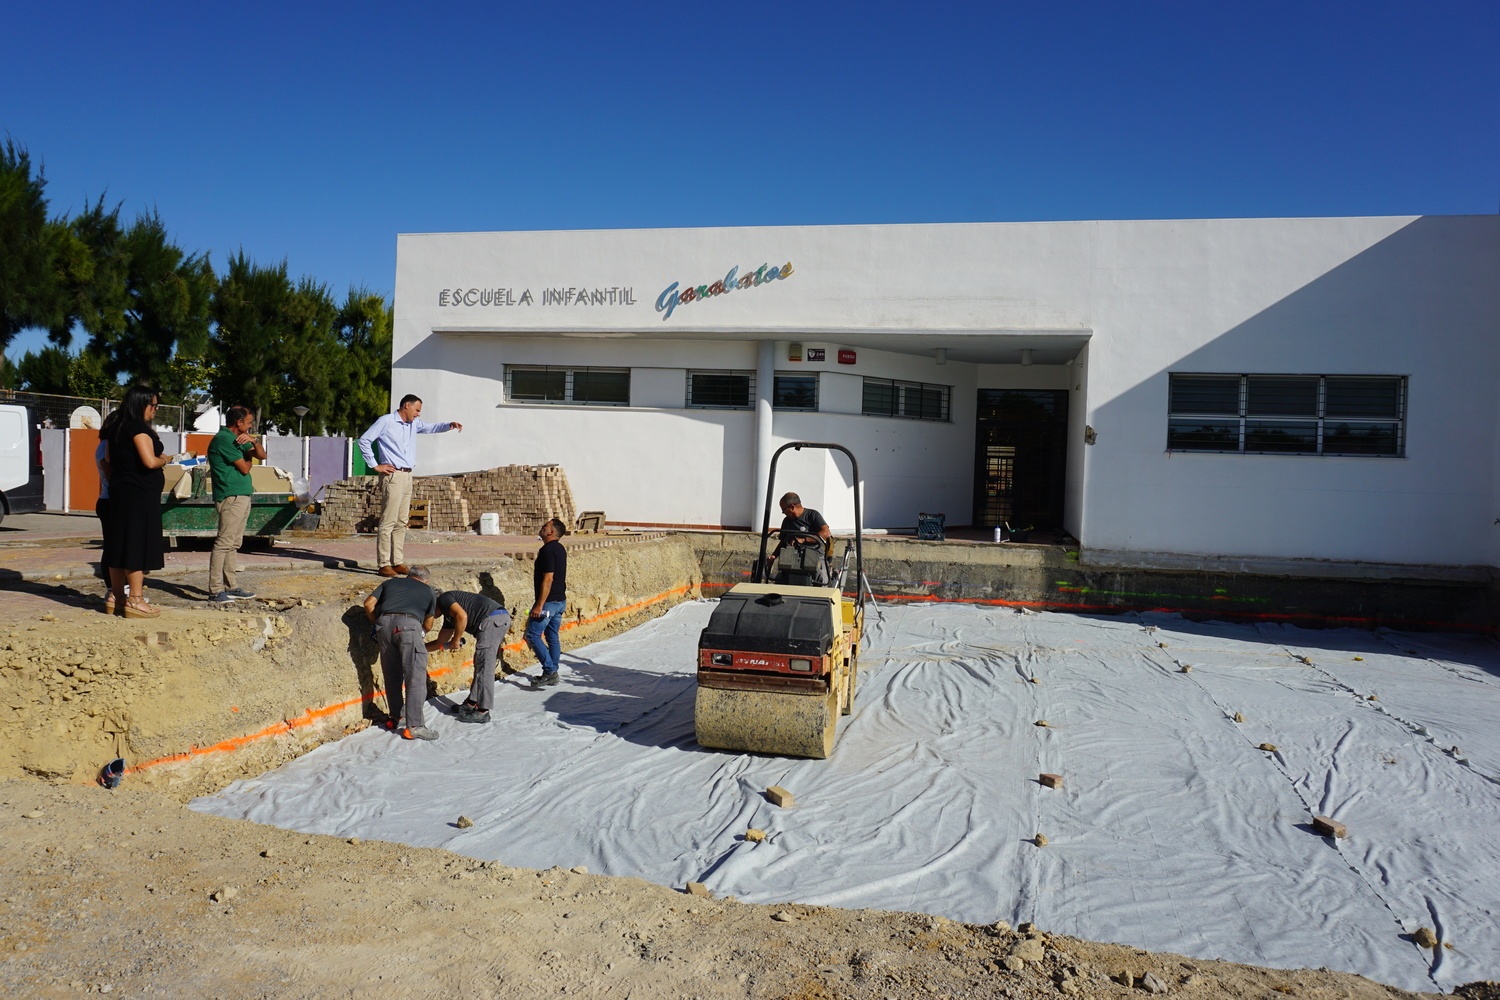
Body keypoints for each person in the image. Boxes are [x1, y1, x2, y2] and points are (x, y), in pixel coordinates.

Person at [356, 394, 462, 578]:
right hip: (393, 475)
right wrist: (375, 465)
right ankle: (383, 564)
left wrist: (449, 425)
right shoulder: (386, 422)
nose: (418, 414)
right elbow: (364, 440)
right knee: (388, 520)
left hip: (407, 475)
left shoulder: (413, 424)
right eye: (417, 410)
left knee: (401, 521)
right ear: (407, 406)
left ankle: (397, 561)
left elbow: (431, 427)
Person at [103, 385, 171, 619]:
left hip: (122, 491)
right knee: (136, 545)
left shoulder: (116, 427)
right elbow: (149, 462)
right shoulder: (137, 429)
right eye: (153, 405)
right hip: (139, 495)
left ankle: (116, 596)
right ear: (140, 404)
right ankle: (135, 599)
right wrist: (165, 459)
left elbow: (107, 460)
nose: (155, 410)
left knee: (118, 544)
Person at [363, 564, 440, 740]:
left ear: (409, 576)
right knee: (415, 677)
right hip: (408, 626)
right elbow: (428, 623)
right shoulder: (428, 590)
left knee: (392, 676)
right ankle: (415, 726)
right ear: (425, 580)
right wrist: (419, 632)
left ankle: (395, 717)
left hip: (383, 626)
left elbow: (368, 604)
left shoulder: (389, 583)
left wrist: (378, 624)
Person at [206, 406, 267, 603]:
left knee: (233, 543)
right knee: (224, 543)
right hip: (230, 496)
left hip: (242, 495)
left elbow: (262, 455)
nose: (250, 426)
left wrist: (253, 441)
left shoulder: (241, 439)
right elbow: (245, 468)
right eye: (248, 423)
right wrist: (249, 456)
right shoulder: (224, 439)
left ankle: (231, 586)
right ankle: (215, 589)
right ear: (238, 422)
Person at [427, 587, 511, 724]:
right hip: (494, 619)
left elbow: (462, 616)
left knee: (485, 667)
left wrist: (455, 640)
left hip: (493, 619)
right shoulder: (449, 615)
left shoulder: (444, 598)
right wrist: (419, 648)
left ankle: (483, 711)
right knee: (480, 664)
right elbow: (440, 642)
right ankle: (471, 703)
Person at [524, 518, 568, 689]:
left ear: (551, 532)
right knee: (552, 636)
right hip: (560, 601)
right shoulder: (560, 549)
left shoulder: (548, 550)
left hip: (548, 603)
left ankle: (550, 672)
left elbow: (548, 578)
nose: (542, 527)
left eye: (545, 526)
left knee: (533, 635)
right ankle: (552, 670)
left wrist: (539, 604)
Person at [767, 492, 832, 583]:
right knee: (780, 579)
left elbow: (826, 533)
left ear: (792, 507)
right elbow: (782, 542)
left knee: (821, 579)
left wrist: (803, 539)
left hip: (814, 554)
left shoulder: (812, 515)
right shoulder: (786, 521)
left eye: (784, 510)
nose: (783, 513)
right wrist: (774, 556)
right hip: (792, 556)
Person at [95, 408, 122, 614]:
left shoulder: (105, 445)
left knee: (114, 545)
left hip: (109, 500)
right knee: (113, 547)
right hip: (110, 500)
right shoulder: (106, 447)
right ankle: (113, 590)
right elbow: (111, 476)